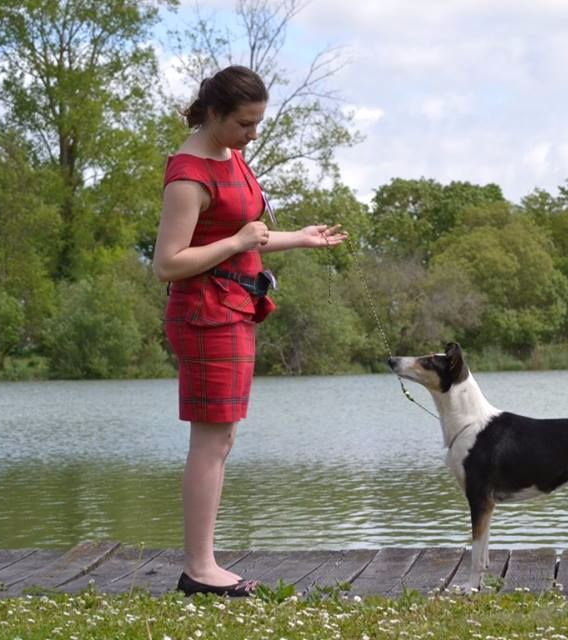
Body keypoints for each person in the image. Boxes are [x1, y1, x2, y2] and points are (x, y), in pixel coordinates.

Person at [152, 65, 348, 597]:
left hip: (235, 308)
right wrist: (239, 243)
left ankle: (203, 562)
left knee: (222, 438)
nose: (253, 134)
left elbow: (250, 235)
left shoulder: (230, 155)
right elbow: (169, 263)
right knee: (210, 441)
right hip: (203, 313)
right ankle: (199, 568)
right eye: (245, 123)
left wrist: (299, 238)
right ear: (214, 114)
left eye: (258, 122)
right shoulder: (190, 174)